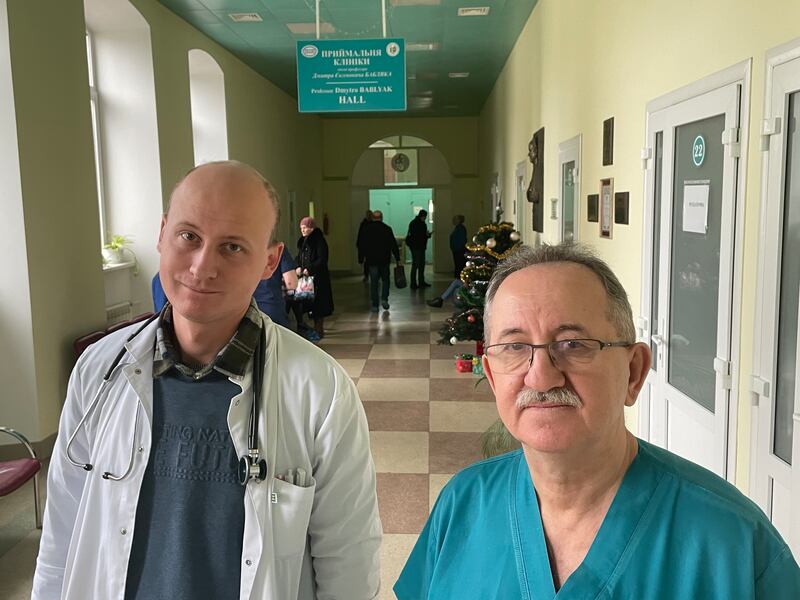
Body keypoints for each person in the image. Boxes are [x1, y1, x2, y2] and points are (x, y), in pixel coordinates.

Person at [33, 161, 381, 600]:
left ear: (270, 262)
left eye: (233, 247)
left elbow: (348, 558)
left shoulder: (320, 390)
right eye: (189, 236)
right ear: (161, 234)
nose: (202, 266)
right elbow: (62, 532)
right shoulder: (99, 370)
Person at [395, 242, 800, 599]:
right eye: (515, 347)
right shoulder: (463, 504)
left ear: (633, 371)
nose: (540, 376)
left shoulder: (732, 542)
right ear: (490, 371)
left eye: (573, 344)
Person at [296, 216, 333, 338]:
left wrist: (310, 268)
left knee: (318, 304)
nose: (302, 230)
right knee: (307, 302)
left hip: (317, 278)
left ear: (311, 228)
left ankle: (319, 328)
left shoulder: (319, 241)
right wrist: (297, 266)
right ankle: (311, 327)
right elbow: (300, 257)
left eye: (305, 227)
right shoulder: (303, 242)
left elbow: (322, 259)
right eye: (301, 228)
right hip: (306, 278)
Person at [361, 210, 401, 312]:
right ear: (381, 218)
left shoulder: (367, 229)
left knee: (374, 283)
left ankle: (375, 305)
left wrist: (362, 258)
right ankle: (384, 299)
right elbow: (393, 244)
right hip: (384, 260)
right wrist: (398, 258)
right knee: (385, 280)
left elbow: (362, 245)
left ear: (373, 218)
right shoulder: (387, 229)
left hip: (372, 260)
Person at [252, 245, 297, 328]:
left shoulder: (240, 247)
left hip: (246, 312)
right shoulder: (277, 248)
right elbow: (291, 284)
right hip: (272, 309)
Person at [406, 208, 431, 289]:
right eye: (425, 217)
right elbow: (421, 236)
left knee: (417, 265)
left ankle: (416, 283)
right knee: (419, 265)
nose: (425, 218)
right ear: (423, 216)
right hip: (419, 247)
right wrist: (427, 235)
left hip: (415, 247)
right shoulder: (421, 224)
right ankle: (418, 282)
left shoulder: (413, 223)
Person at [356, 209, 373, 282]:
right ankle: (367, 275)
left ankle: (367, 276)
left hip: (367, 246)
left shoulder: (364, 224)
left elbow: (360, 235)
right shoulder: (370, 224)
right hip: (369, 246)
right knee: (369, 262)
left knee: (368, 262)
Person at [449, 214, 467, 278]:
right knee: (458, 265)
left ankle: (458, 280)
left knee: (459, 265)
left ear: (459, 220)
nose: (453, 220)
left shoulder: (461, 228)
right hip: (456, 250)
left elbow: (462, 240)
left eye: (455, 219)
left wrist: (457, 248)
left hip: (459, 250)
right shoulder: (457, 228)